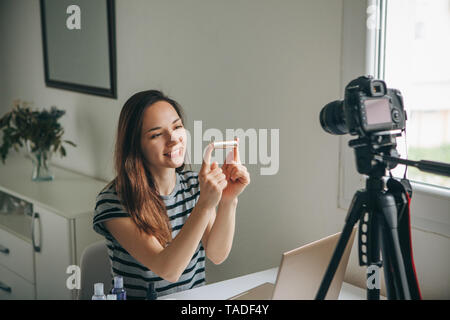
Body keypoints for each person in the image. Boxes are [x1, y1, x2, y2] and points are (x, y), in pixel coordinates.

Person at [93, 90, 250, 299]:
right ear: (136, 145)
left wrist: (229, 199)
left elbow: (217, 254)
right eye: (157, 134)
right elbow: (167, 270)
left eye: (177, 127)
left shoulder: (195, 185)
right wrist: (204, 205)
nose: (173, 140)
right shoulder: (114, 202)